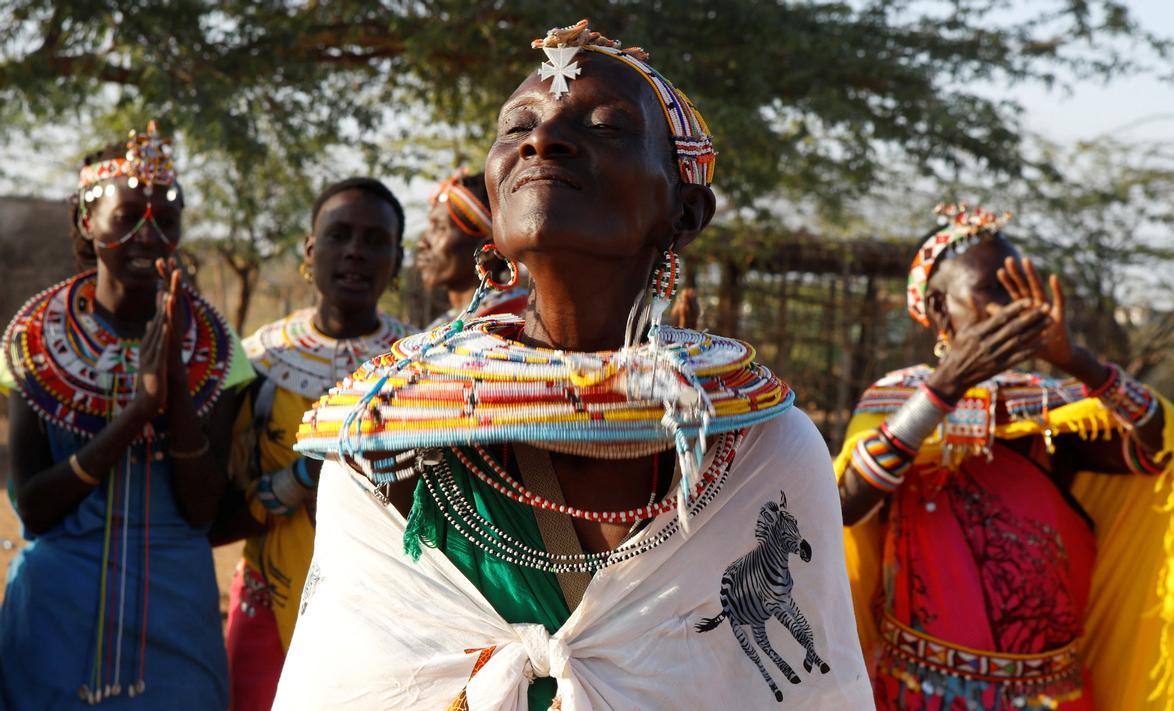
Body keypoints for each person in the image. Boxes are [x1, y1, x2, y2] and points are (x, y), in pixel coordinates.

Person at [274, 20, 873, 710]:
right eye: (516, 126)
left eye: (608, 126)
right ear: (494, 201)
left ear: (685, 210)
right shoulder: (390, 439)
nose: (542, 139)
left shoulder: (761, 449)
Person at [834, 204, 1174, 710]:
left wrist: (1076, 361)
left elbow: (1157, 448)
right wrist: (946, 388)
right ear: (940, 308)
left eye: (1018, 291)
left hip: (1051, 697)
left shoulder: (1053, 408)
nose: (1010, 309)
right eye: (991, 291)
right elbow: (846, 505)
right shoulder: (897, 400)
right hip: (919, 693)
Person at [0, 122, 254, 708]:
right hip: (56, 602)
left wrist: (175, 394)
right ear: (86, 224)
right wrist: (139, 409)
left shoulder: (217, 348)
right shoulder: (34, 342)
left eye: (164, 220)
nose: (148, 234)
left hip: (175, 603)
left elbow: (201, 507)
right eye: (127, 215)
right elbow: (34, 510)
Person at [215, 177, 415, 711]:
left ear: (397, 261)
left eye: (376, 240)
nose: (355, 250)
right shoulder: (257, 361)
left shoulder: (421, 367)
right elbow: (214, 511)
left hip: (389, 612)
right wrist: (298, 481)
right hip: (269, 597)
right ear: (310, 249)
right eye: (339, 234)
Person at [416, 168, 529, 328]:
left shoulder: (521, 322)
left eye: (440, 228)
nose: (422, 243)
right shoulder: (441, 326)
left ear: (488, 250)